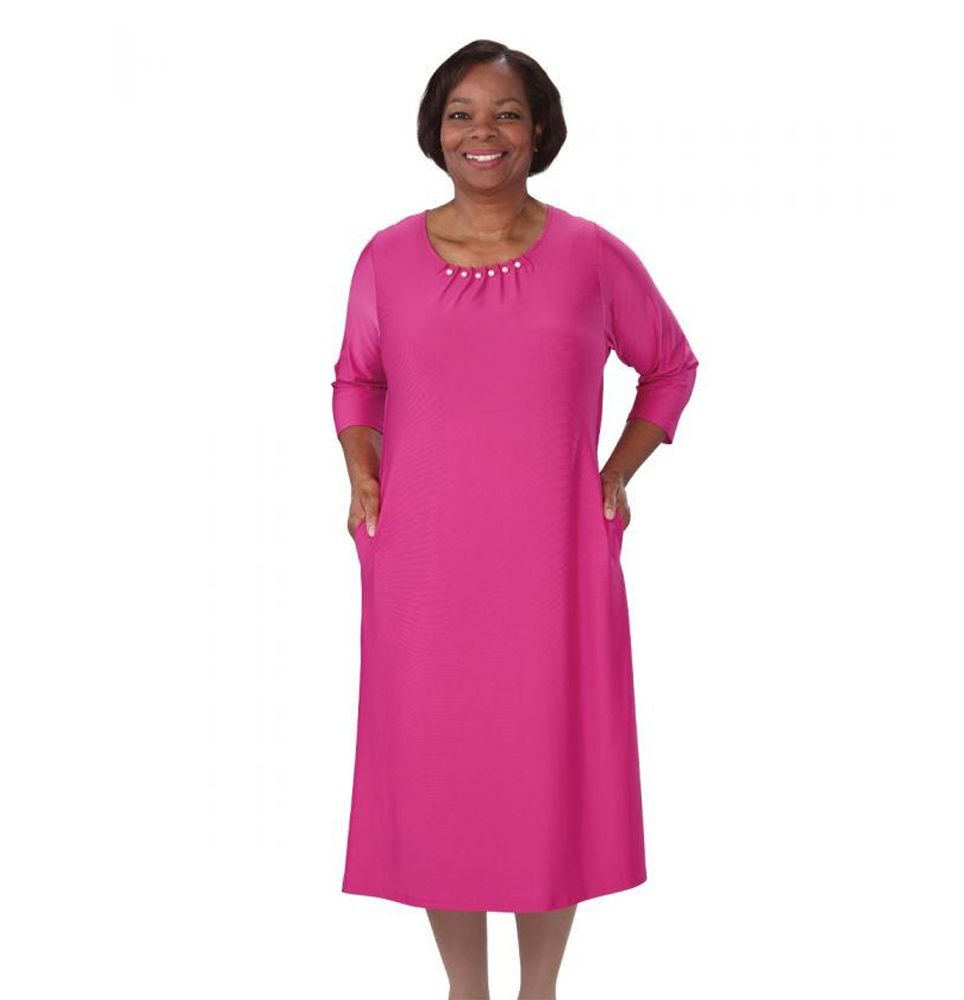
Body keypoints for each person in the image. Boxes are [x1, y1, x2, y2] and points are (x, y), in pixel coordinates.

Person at [331, 39, 699, 1000]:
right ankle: (466, 989)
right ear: (436, 131)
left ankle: (540, 990)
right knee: (438, 772)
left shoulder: (591, 255)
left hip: (552, 557)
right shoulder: (385, 256)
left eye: (505, 113)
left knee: (544, 772)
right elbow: (357, 379)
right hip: (423, 560)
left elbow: (670, 365)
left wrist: (616, 471)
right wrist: (362, 470)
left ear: (539, 131)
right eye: (461, 113)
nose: (481, 132)